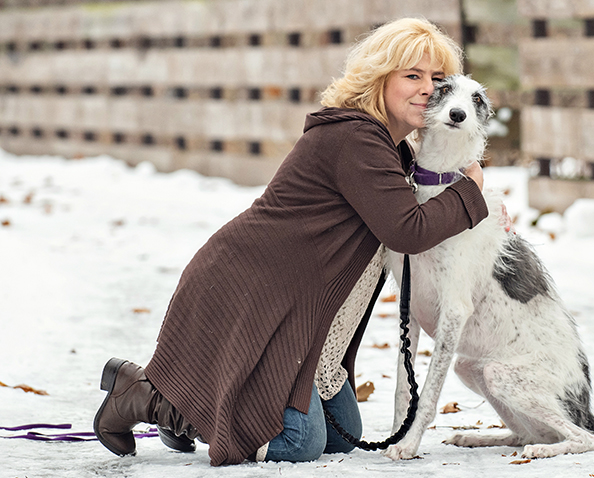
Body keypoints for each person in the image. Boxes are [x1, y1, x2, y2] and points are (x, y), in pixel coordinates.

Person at [92, 17, 488, 466]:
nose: (426, 89)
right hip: (251, 292)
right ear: (380, 79)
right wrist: (472, 193)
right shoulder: (357, 137)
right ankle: (149, 398)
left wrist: (477, 203)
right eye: (411, 76)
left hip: (295, 310)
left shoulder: (392, 148)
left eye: (437, 79)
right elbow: (408, 229)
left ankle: (195, 405)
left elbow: (425, 203)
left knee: (344, 436)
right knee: (300, 444)